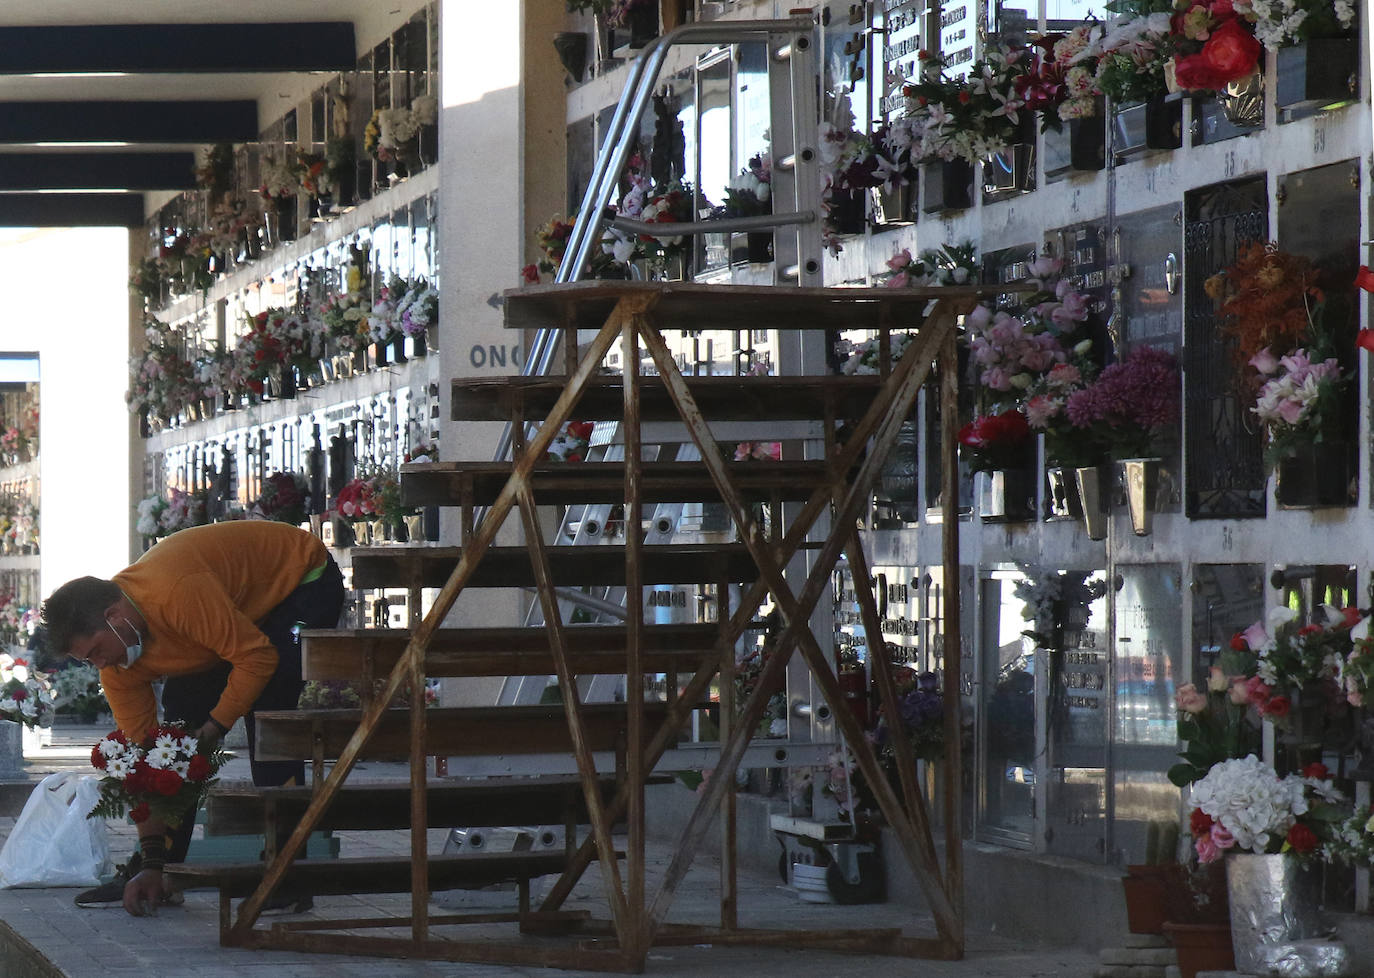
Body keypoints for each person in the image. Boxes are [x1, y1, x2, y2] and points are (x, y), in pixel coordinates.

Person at [40, 520, 344, 917]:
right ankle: (163, 869)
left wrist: (215, 727)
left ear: (116, 616)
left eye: (98, 650)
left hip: (302, 581)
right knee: (176, 732)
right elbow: (146, 764)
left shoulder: (177, 593)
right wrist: (150, 858)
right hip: (232, 610)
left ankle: (286, 869)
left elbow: (257, 657)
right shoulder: (117, 668)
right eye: (88, 660)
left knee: (269, 707)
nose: (101, 664)